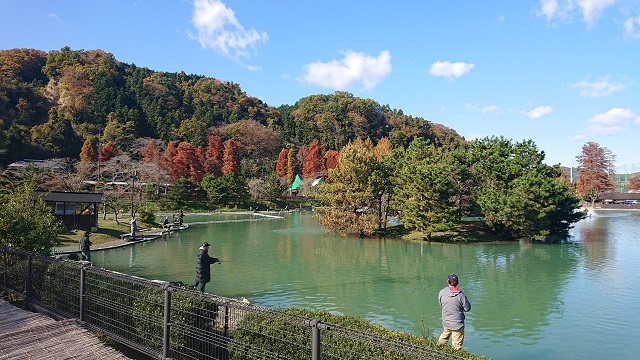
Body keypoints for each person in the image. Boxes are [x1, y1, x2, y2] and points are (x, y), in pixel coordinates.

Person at [437, 274, 471, 350]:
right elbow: (467, 308)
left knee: (443, 337)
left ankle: (437, 350)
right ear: (458, 282)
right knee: (457, 345)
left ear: (448, 281)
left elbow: (441, 304)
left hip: (446, 321)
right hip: (457, 324)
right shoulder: (461, 295)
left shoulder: (442, 292)